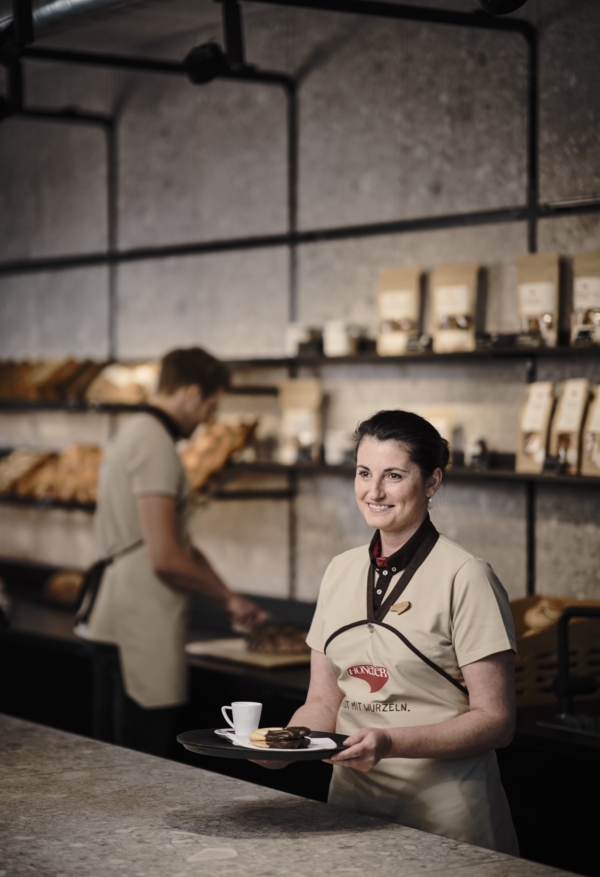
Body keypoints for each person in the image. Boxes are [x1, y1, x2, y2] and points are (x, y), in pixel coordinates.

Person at [258, 409, 518, 854]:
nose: (373, 491)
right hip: (349, 810)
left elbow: (496, 721)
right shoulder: (339, 571)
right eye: (363, 473)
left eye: (393, 475)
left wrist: (391, 742)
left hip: (447, 820)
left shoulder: (467, 576)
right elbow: (323, 701)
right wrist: (282, 746)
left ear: (432, 482)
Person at [78, 347, 265, 757]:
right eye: (210, 406)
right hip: (137, 623)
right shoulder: (154, 444)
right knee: (137, 764)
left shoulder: (135, 432)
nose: (208, 419)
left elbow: (175, 544)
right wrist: (226, 597)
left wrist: (229, 597)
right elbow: (165, 556)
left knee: (115, 760)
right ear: (192, 393)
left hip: (117, 615)